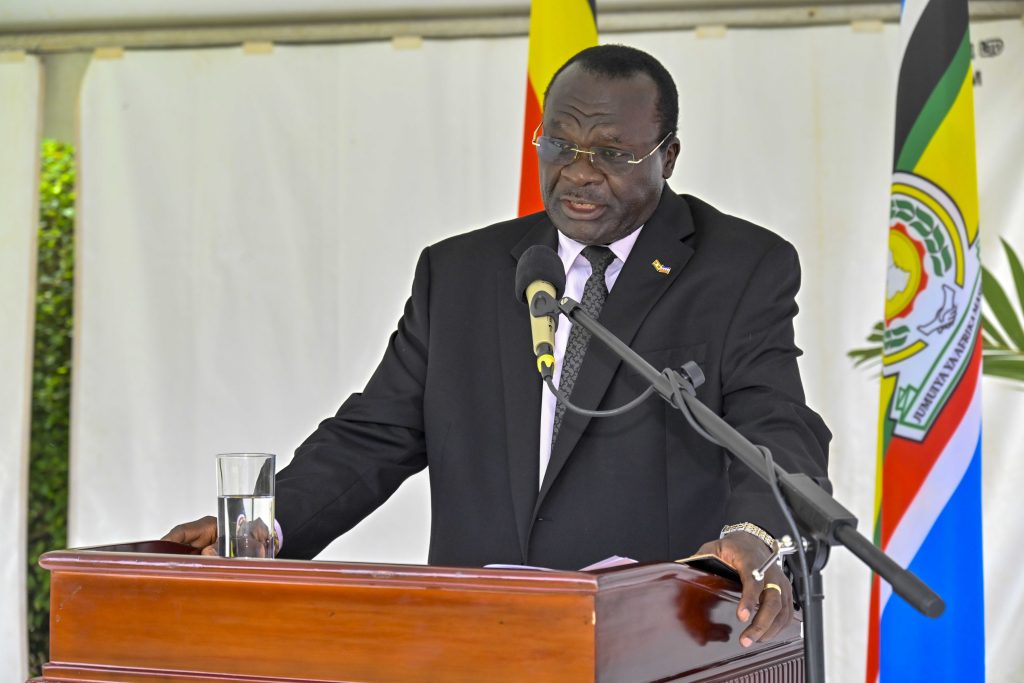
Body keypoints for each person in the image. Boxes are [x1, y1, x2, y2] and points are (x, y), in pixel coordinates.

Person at [165, 44, 830, 649]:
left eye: (612, 152)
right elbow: (374, 433)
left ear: (669, 155)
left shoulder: (738, 267)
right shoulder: (462, 274)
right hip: (480, 638)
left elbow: (772, 421)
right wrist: (267, 523)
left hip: (657, 640)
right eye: (560, 144)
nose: (579, 172)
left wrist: (758, 535)